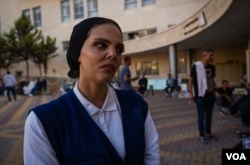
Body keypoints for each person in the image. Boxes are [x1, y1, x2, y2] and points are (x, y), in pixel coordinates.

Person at [24, 17, 160, 164]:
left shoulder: (136, 105)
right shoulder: (43, 121)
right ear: (77, 53)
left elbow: (151, 158)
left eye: (119, 49)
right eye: (101, 45)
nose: (113, 54)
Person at [189, 48, 218, 144]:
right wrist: (191, 93)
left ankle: (208, 133)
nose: (212, 57)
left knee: (209, 116)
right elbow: (191, 80)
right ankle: (202, 135)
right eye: (211, 55)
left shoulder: (212, 67)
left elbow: (213, 79)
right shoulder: (196, 66)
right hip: (200, 96)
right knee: (201, 116)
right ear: (205, 55)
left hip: (210, 95)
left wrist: (215, 91)